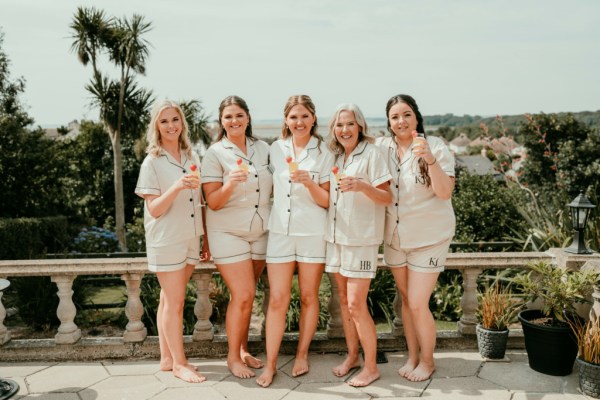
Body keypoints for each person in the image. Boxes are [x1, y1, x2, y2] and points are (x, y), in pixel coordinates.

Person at [376, 94, 456, 382]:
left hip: (430, 238)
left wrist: (430, 160)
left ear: (416, 117)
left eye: (406, 114)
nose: (401, 121)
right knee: (407, 300)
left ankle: (427, 360)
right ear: (388, 122)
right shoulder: (382, 148)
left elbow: (445, 192)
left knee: (418, 303)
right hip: (396, 239)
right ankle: (411, 356)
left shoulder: (436, 146)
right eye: (395, 116)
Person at [256, 95, 333, 388]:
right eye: (293, 117)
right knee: (277, 299)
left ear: (313, 118)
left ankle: (302, 354)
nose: (299, 122)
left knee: (309, 297)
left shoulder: (325, 151)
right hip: (279, 233)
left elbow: (327, 200)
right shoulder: (276, 149)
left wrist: (310, 183)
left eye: (304, 116)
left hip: (313, 232)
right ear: (286, 121)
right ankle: (271, 363)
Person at [135, 99, 210, 383]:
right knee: (176, 302)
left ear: (182, 123)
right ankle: (180, 363)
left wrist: (205, 240)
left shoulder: (191, 156)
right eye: (164, 121)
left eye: (175, 120)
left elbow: (200, 201)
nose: (171, 126)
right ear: (157, 125)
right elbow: (154, 208)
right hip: (166, 239)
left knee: (168, 298)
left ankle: (166, 358)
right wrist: (178, 185)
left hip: (190, 236)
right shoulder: (152, 161)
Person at [202, 95, 273, 379]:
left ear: (248, 117)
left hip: (262, 231)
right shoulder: (214, 153)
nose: (234, 121)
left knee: (246, 295)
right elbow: (214, 202)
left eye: (239, 115)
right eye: (228, 117)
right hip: (228, 232)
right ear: (221, 121)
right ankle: (233, 358)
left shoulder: (264, 148)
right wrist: (230, 183)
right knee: (244, 294)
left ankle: (243, 349)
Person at [325, 104, 392, 387]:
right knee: (343, 302)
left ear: (360, 126)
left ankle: (371, 367)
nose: (344, 130)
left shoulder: (372, 154)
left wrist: (363, 186)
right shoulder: (339, 156)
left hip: (361, 239)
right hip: (337, 236)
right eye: (339, 125)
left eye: (350, 124)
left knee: (355, 304)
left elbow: (387, 197)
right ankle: (352, 356)